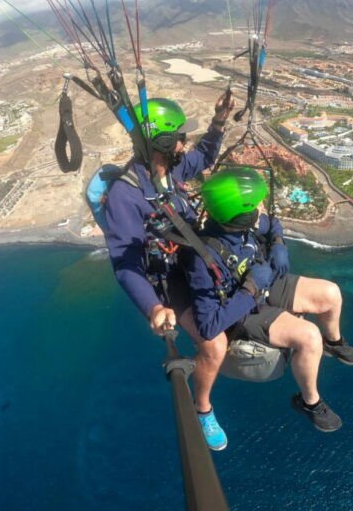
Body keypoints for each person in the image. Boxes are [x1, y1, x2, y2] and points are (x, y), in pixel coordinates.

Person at [185, 167, 353, 439]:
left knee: (330, 293)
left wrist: (278, 243)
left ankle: (334, 342)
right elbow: (209, 326)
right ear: (243, 214)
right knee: (308, 336)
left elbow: (271, 223)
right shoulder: (204, 258)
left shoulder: (246, 224)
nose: (261, 207)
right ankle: (310, 401)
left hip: (262, 282)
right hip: (242, 309)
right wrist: (251, 288)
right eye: (257, 204)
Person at [103, 94, 235, 448]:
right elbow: (125, 262)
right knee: (214, 345)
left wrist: (219, 120)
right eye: (178, 135)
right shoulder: (124, 195)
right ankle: (203, 409)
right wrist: (154, 306)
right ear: (161, 141)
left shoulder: (171, 169)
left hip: (199, 262)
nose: (184, 141)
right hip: (171, 280)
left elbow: (205, 155)